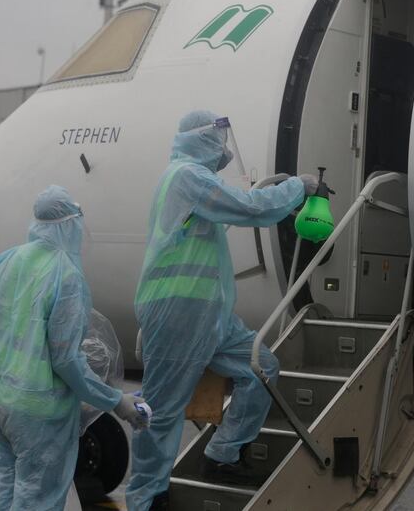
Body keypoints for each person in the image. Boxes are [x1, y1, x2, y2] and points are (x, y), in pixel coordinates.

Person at [126, 111, 319, 510]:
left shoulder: (194, 181)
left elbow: (236, 210)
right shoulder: (186, 177)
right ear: (199, 140)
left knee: (260, 368)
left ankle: (222, 455)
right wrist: (298, 188)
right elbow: (249, 208)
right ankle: (146, 496)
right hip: (178, 312)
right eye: (216, 137)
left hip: (208, 316)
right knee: (162, 410)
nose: (222, 145)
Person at [0, 185, 148, 511]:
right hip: (38, 412)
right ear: (66, 224)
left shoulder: (8, 259)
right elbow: (66, 360)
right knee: (38, 500)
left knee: (1, 493)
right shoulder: (66, 274)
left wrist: (10, 346)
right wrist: (116, 400)